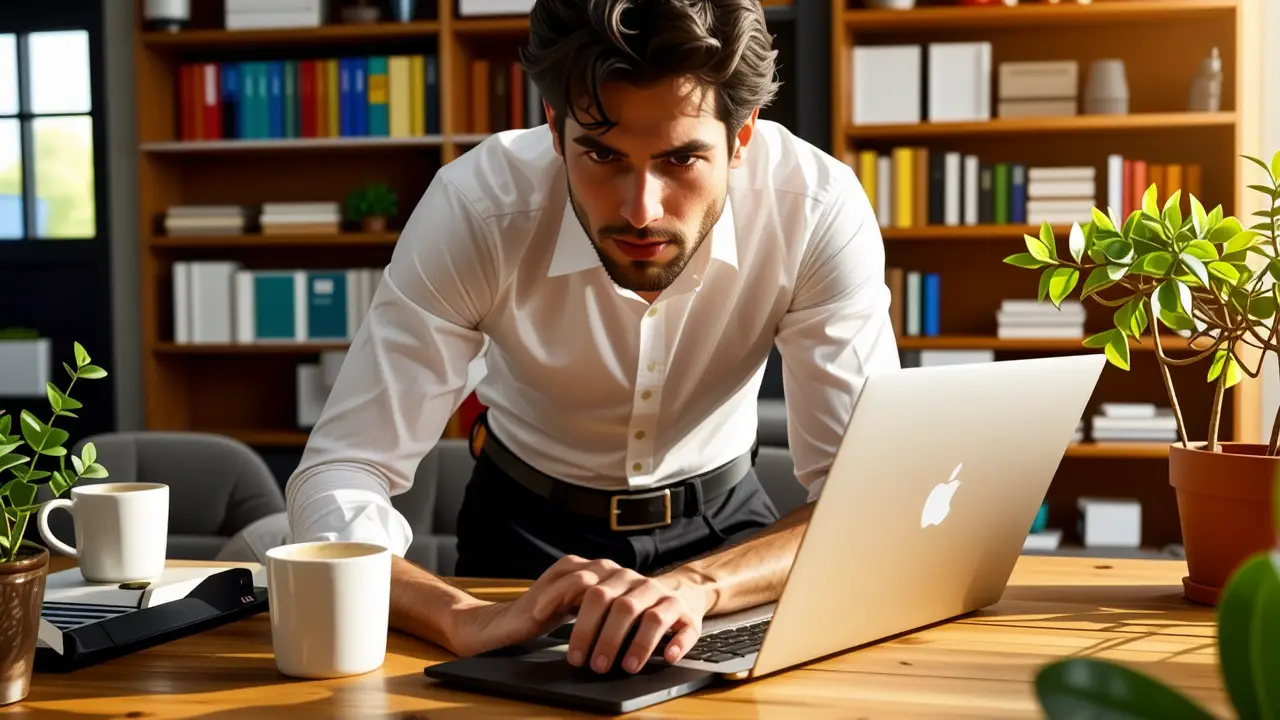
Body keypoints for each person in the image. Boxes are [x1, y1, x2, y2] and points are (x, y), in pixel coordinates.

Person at [285, 0, 899, 677]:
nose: (641, 209)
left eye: (681, 159)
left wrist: (700, 584)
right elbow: (340, 471)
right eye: (602, 154)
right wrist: (458, 617)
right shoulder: (476, 209)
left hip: (730, 540)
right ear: (555, 126)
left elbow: (866, 492)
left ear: (744, 135)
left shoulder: (815, 208)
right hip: (521, 534)